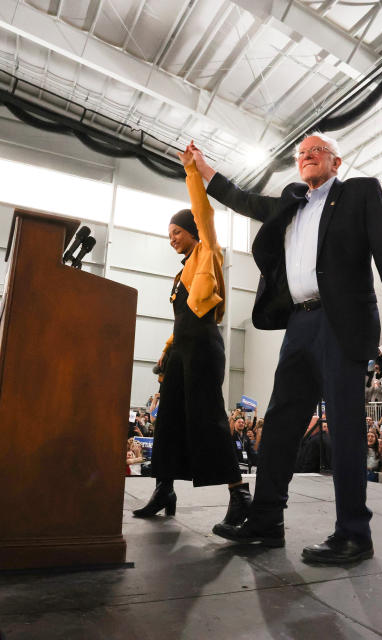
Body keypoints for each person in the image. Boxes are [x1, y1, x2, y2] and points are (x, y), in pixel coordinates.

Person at [194, 133, 382, 564]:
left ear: (337, 163)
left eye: (315, 151)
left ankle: (354, 533)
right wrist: (204, 170)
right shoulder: (291, 199)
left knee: (345, 426)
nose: (305, 157)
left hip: (342, 323)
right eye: (300, 154)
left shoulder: (360, 192)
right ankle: (266, 521)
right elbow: (243, 199)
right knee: (280, 421)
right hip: (299, 322)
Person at [132, 145, 251, 527]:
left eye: (177, 231)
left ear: (193, 232)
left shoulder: (208, 253)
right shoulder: (178, 275)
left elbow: (203, 211)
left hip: (203, 348)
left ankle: (239, 495)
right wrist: (167, 353)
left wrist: (192, 172)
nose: (172, 238)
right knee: (167, 421)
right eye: (169, 234)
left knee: (208, 418)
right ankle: (164, 489)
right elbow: (179, 321)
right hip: (181, 351)